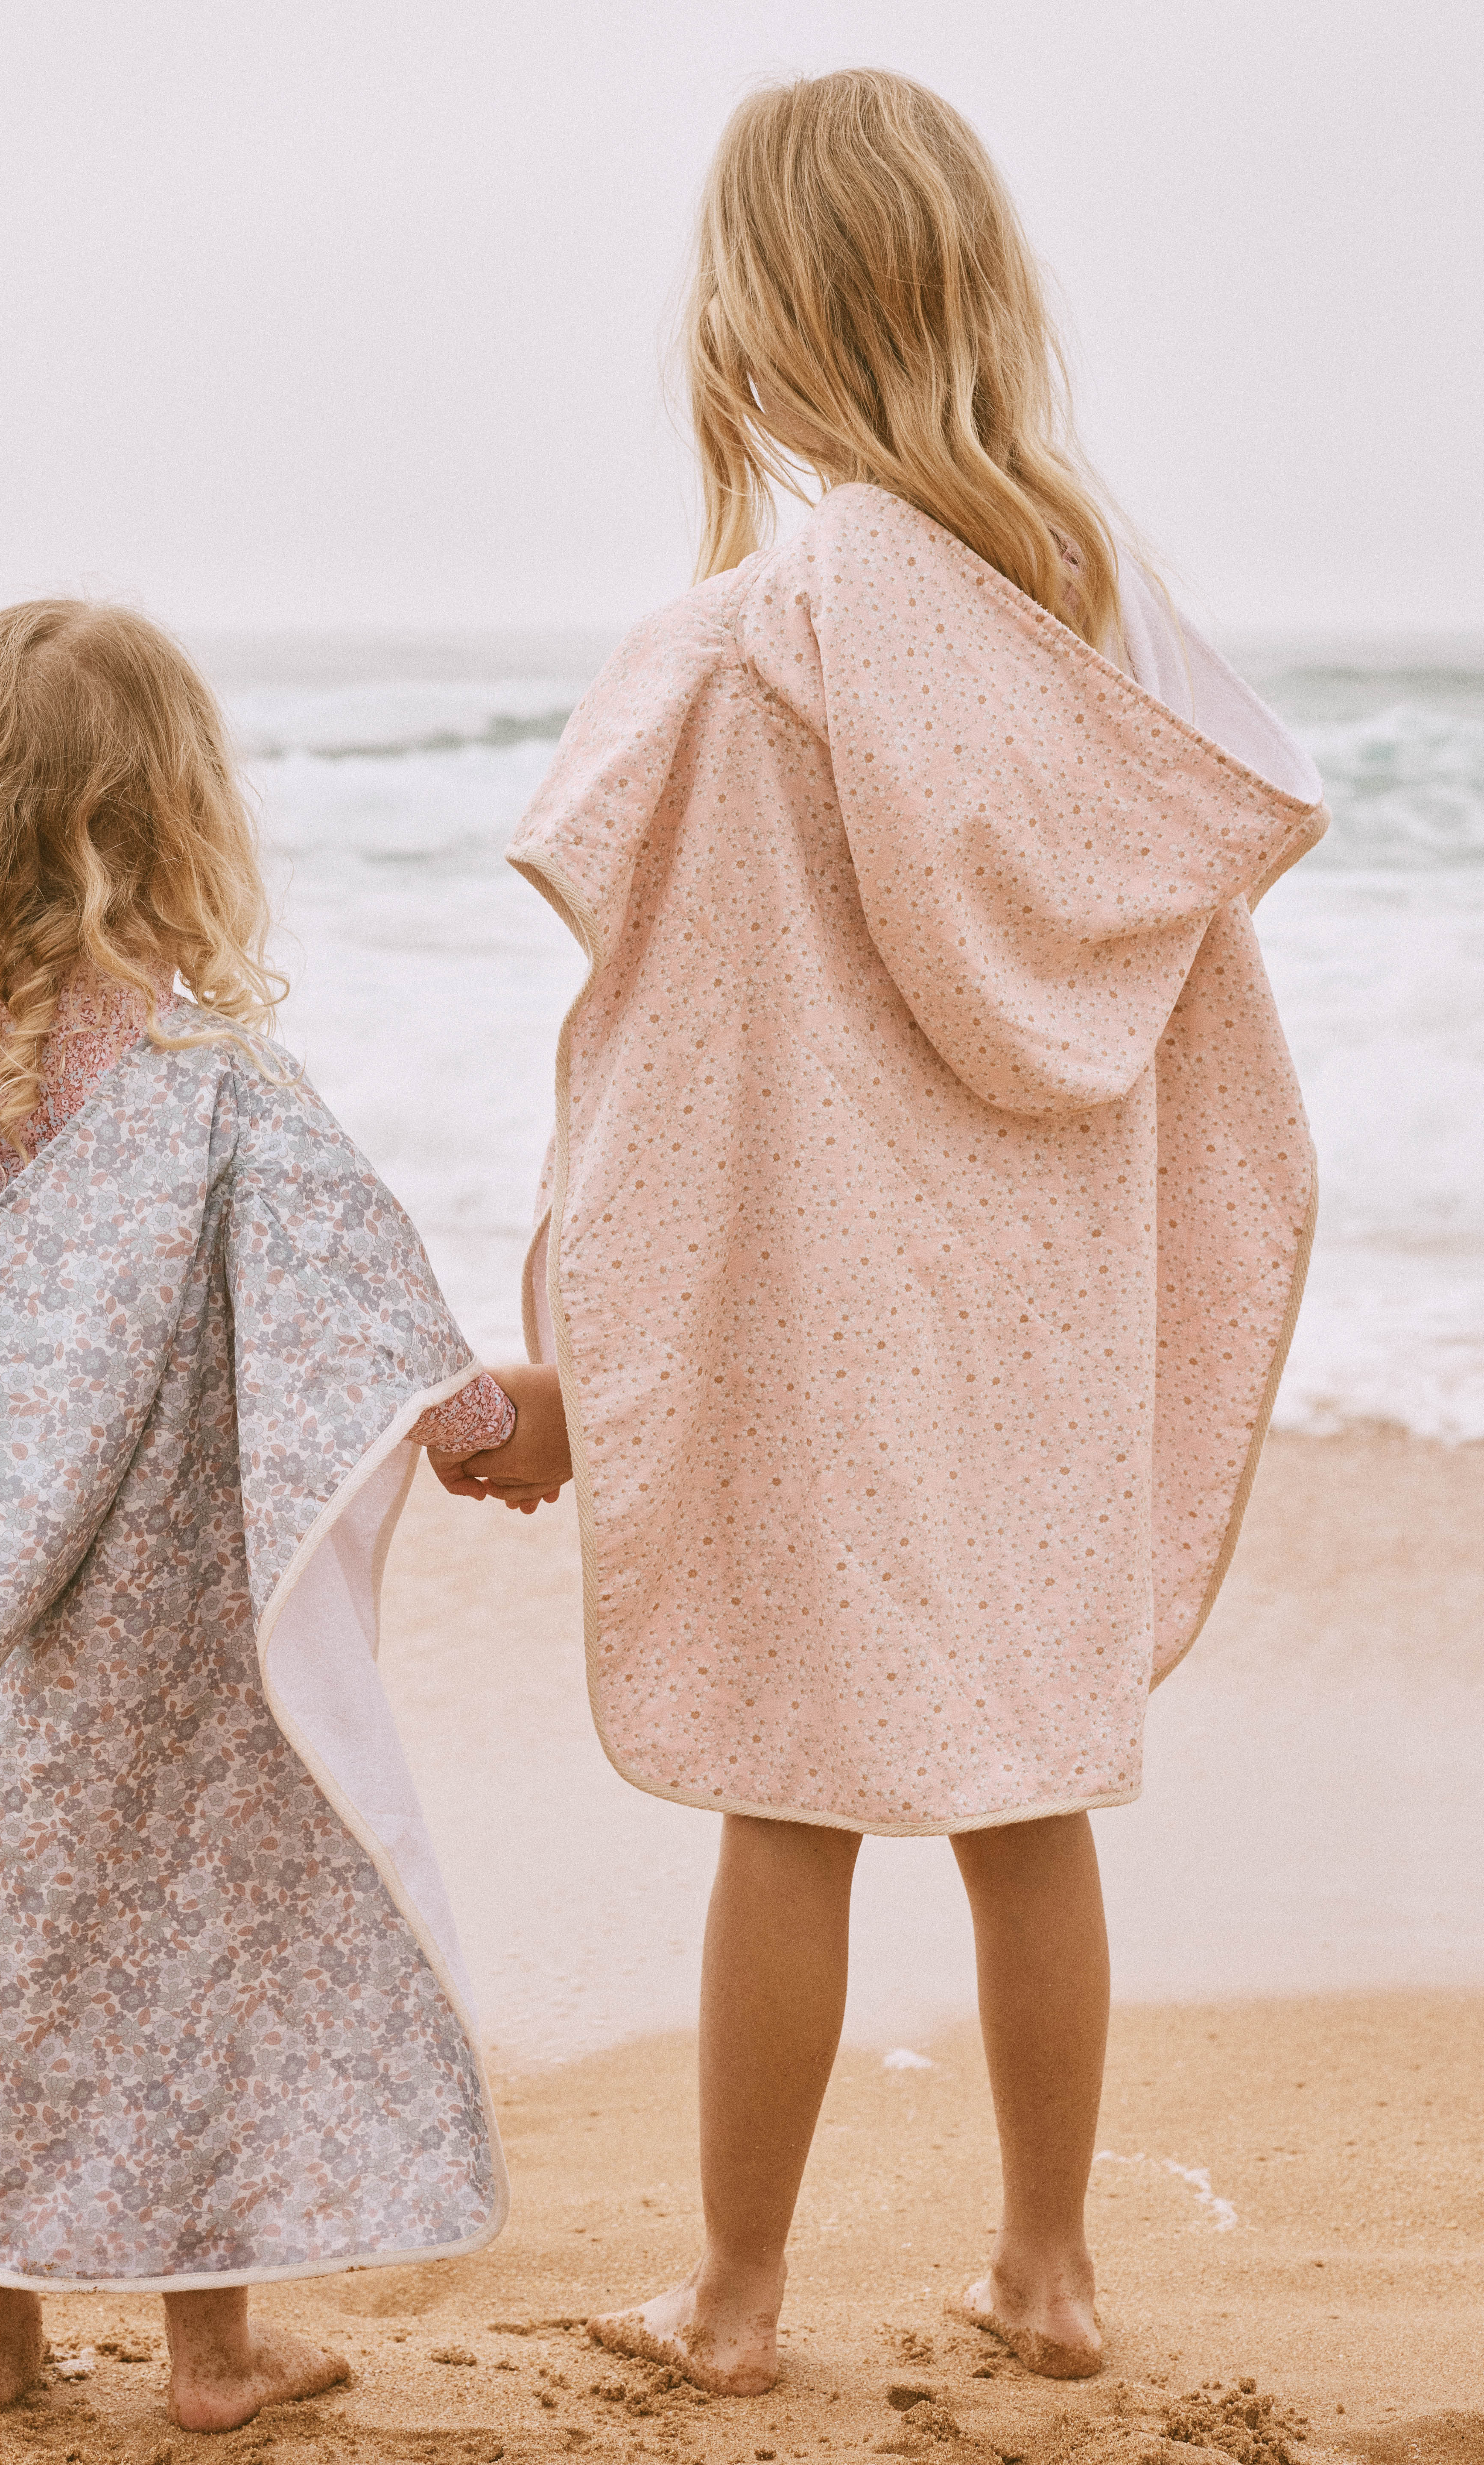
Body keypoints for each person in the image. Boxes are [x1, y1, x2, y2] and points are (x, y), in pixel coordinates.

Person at [462, 67, 1326, 2388]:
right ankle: (1048, 2271)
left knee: (791, 1796)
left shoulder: (726, 659)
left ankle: (735, 2295)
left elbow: (649, 1067)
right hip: (1041, 1328)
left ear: (744, 328)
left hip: (817, 1334)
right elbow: (1195, 1044)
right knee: (1031, 1799)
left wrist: (574, 1355)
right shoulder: (1107, 661)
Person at [0, 601, 560, 2427]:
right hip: (164, 1652)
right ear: (182, 818)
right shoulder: (217, 1092)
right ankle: (212, 2355)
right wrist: (502, 1430)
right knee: (192, 1945)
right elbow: (369, 1315)